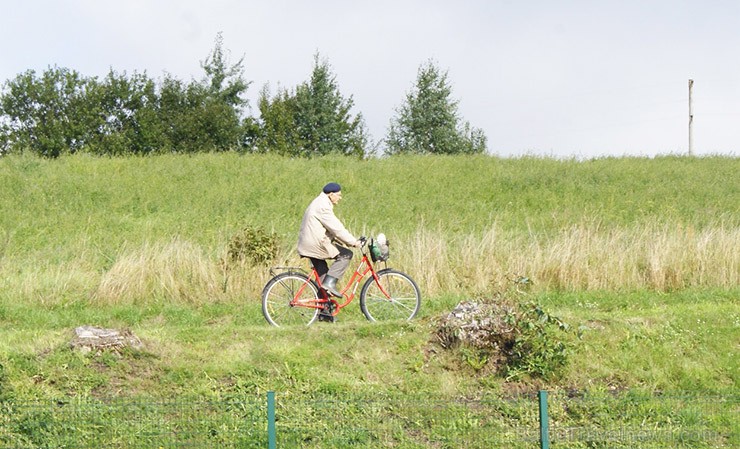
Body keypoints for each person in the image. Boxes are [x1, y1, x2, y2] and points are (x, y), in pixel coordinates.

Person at [297, 182, 362, 301]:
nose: (340, 198)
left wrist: (346, 242)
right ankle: (330, 284)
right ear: (331, 195)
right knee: (346, 254)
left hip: (309, 243)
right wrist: (353, 242)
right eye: (339, 195)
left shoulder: (319, 202)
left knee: (323, 276)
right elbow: (336, 228)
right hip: (315, 244)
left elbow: (329, 230)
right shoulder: (323, 206)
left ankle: (324, 311)